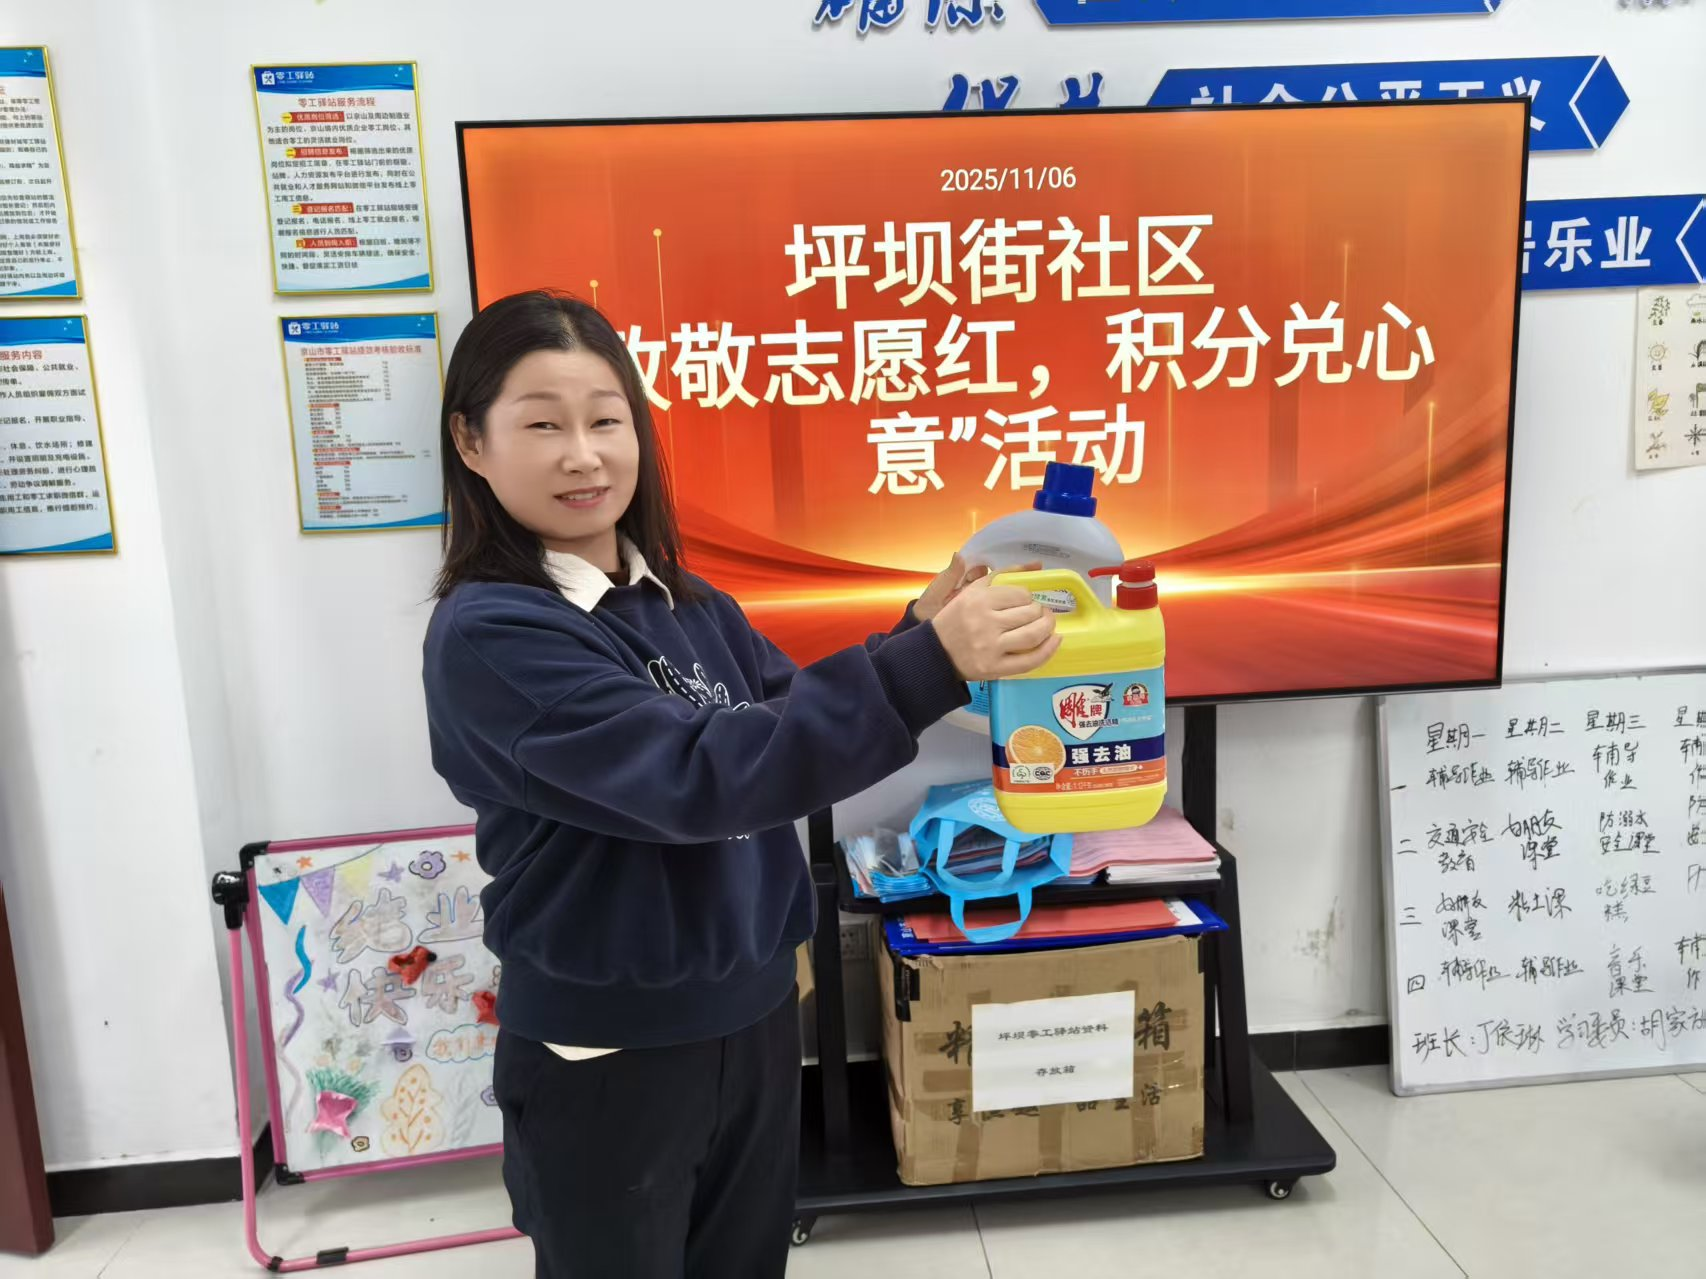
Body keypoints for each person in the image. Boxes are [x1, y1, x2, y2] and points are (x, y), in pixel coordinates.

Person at [421, 290, 1059, 1278]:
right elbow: (700, 773)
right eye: (542, 425)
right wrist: (930, 663)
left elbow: (782, 727)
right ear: (471, 441)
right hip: (609, 1050)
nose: (584, 455)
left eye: (606, 420)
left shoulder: (687, 602)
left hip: (753, 1019)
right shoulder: (492, 631)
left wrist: (914, 632)